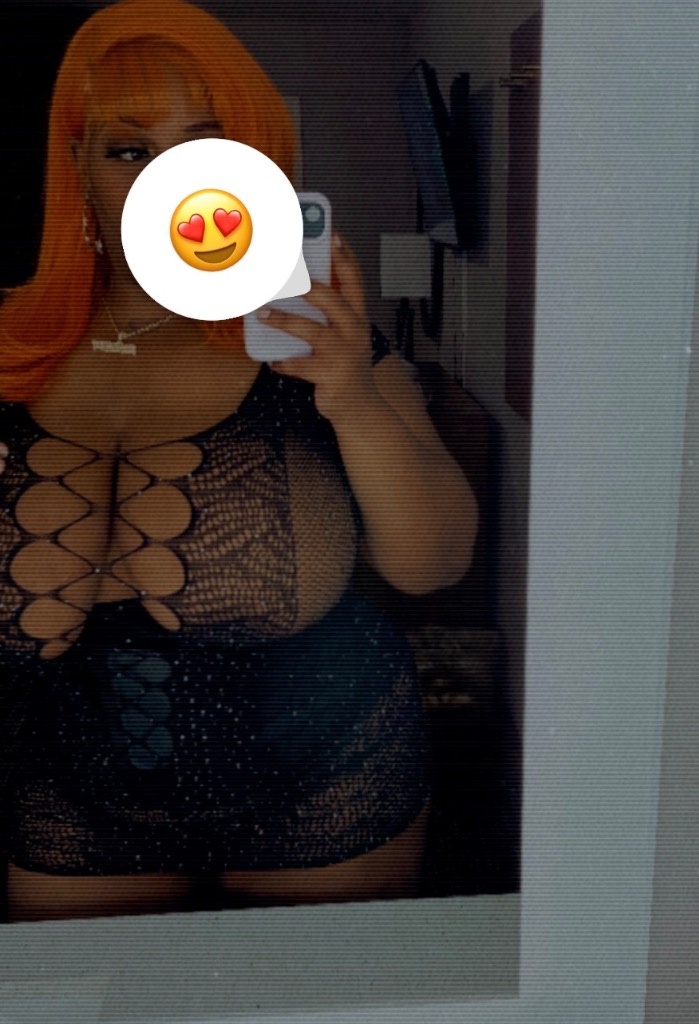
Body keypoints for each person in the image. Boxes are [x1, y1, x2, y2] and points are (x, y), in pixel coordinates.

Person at [0, 0, 477, 922]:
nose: (167, 182)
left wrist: (350, 393)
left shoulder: (312, 336)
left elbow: (436, 563)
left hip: (330, 779)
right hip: (69, 795)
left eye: (203, 145)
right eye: (128, 149)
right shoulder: (13, 352)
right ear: (78, 168)